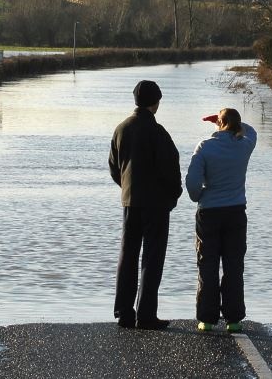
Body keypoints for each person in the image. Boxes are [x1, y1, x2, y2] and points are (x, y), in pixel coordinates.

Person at [108, 80, 182, 330]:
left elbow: (114, 167)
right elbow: (171, 168)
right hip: (156, 204)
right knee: (151, 258)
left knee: (127, 254)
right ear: (156, 102)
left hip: (130, 201)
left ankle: (124, 312)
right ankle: (146, 314)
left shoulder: (121, 129)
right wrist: (173, 196)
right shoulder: (157, 132)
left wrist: (127, 188)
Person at [185, 108, 257, 333]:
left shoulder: (205, 147)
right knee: (234, 265)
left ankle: (207, 318)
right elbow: (252, 131)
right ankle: (233, 319)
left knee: (207, 264)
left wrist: (200, 195)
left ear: (219, 123)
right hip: (236, 212)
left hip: (210, 213)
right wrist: (230, 124)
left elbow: (192, 184)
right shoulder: (244, 145)